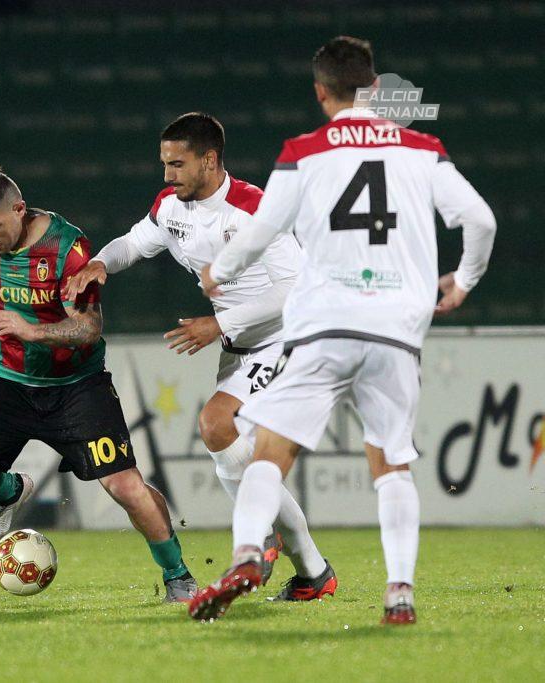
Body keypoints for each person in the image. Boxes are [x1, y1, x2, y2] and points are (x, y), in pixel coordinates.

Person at [188, 37, 496, 624]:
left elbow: (258, 234)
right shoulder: (421, 146)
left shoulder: (303, 152)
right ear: (375, 89)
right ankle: (399, 590)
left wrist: (218, 271)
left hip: (323, 326)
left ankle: (249, 552)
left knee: (270, 455)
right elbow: (480, 219)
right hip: (394, 330)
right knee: (390, 466)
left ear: (321, 93)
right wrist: (463, 280)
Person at [65, 113, 335, 600]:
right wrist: (101, 263)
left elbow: (297, 290)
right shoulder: (171, 205)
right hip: (241, 345)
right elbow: (133, 243)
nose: (167, 175)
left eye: (178, 164)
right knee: (243, 458)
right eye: (164, 164)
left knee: (215, 425)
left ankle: (260, 537)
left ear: (210, 160)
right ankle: (312, 571)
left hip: (288, 338)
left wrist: (218, 323)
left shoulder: (254, 209)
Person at [0, 166, 197, 603]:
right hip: (5, 380)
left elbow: (88, 328)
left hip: (76, 386)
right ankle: (10, 491)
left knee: (124, 486)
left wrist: (30, 331)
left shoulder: (67, 247)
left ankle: (178, 576)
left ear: (19, 210)